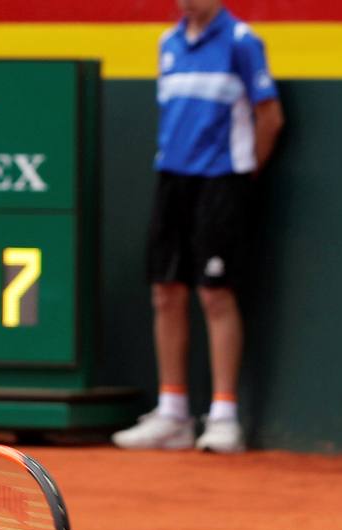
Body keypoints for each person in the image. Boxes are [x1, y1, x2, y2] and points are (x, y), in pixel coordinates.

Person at [113, 0, 283, 453]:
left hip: (222, 182)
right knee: (165, 292)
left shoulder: (243, 41)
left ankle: (224, 416)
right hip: (172, 179)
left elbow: (270, 118)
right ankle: (173, 414)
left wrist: (240, 179)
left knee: (215, 293)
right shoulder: (167, 43)